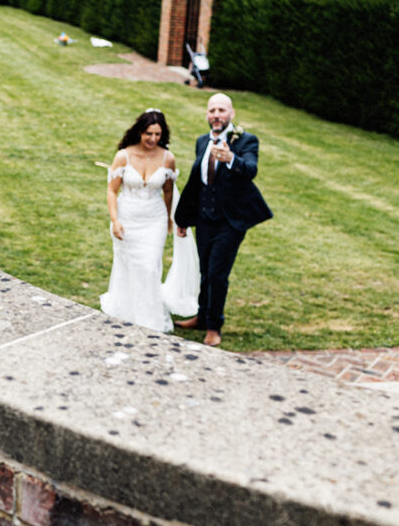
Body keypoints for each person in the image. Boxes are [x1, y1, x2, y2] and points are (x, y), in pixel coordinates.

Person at [174, 93, 272, 347]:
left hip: (231, 220)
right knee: (205, 269)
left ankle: (214, 326)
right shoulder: (201, 141)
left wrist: (231, 159)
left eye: (221, 110)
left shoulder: (246, 141)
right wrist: (183, 218)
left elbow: (251, 170)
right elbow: (196, 182)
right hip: (206, 217)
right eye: (211, 111)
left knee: (218, 273)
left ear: (231, 114)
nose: (216, 115)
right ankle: (202, 316)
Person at [100, 108, 177, 332]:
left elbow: (168, 192)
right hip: (128, 217)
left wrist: (169, 219)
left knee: (150, 266)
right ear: (140, 132)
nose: (153, 139)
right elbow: (112, 191)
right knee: (129, 266)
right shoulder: (123, 156)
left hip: (155, 220)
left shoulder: (167, 158)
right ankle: (127, 312)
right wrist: (115, 220)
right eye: (149, 134)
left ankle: (150, 318)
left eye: (157, 135)